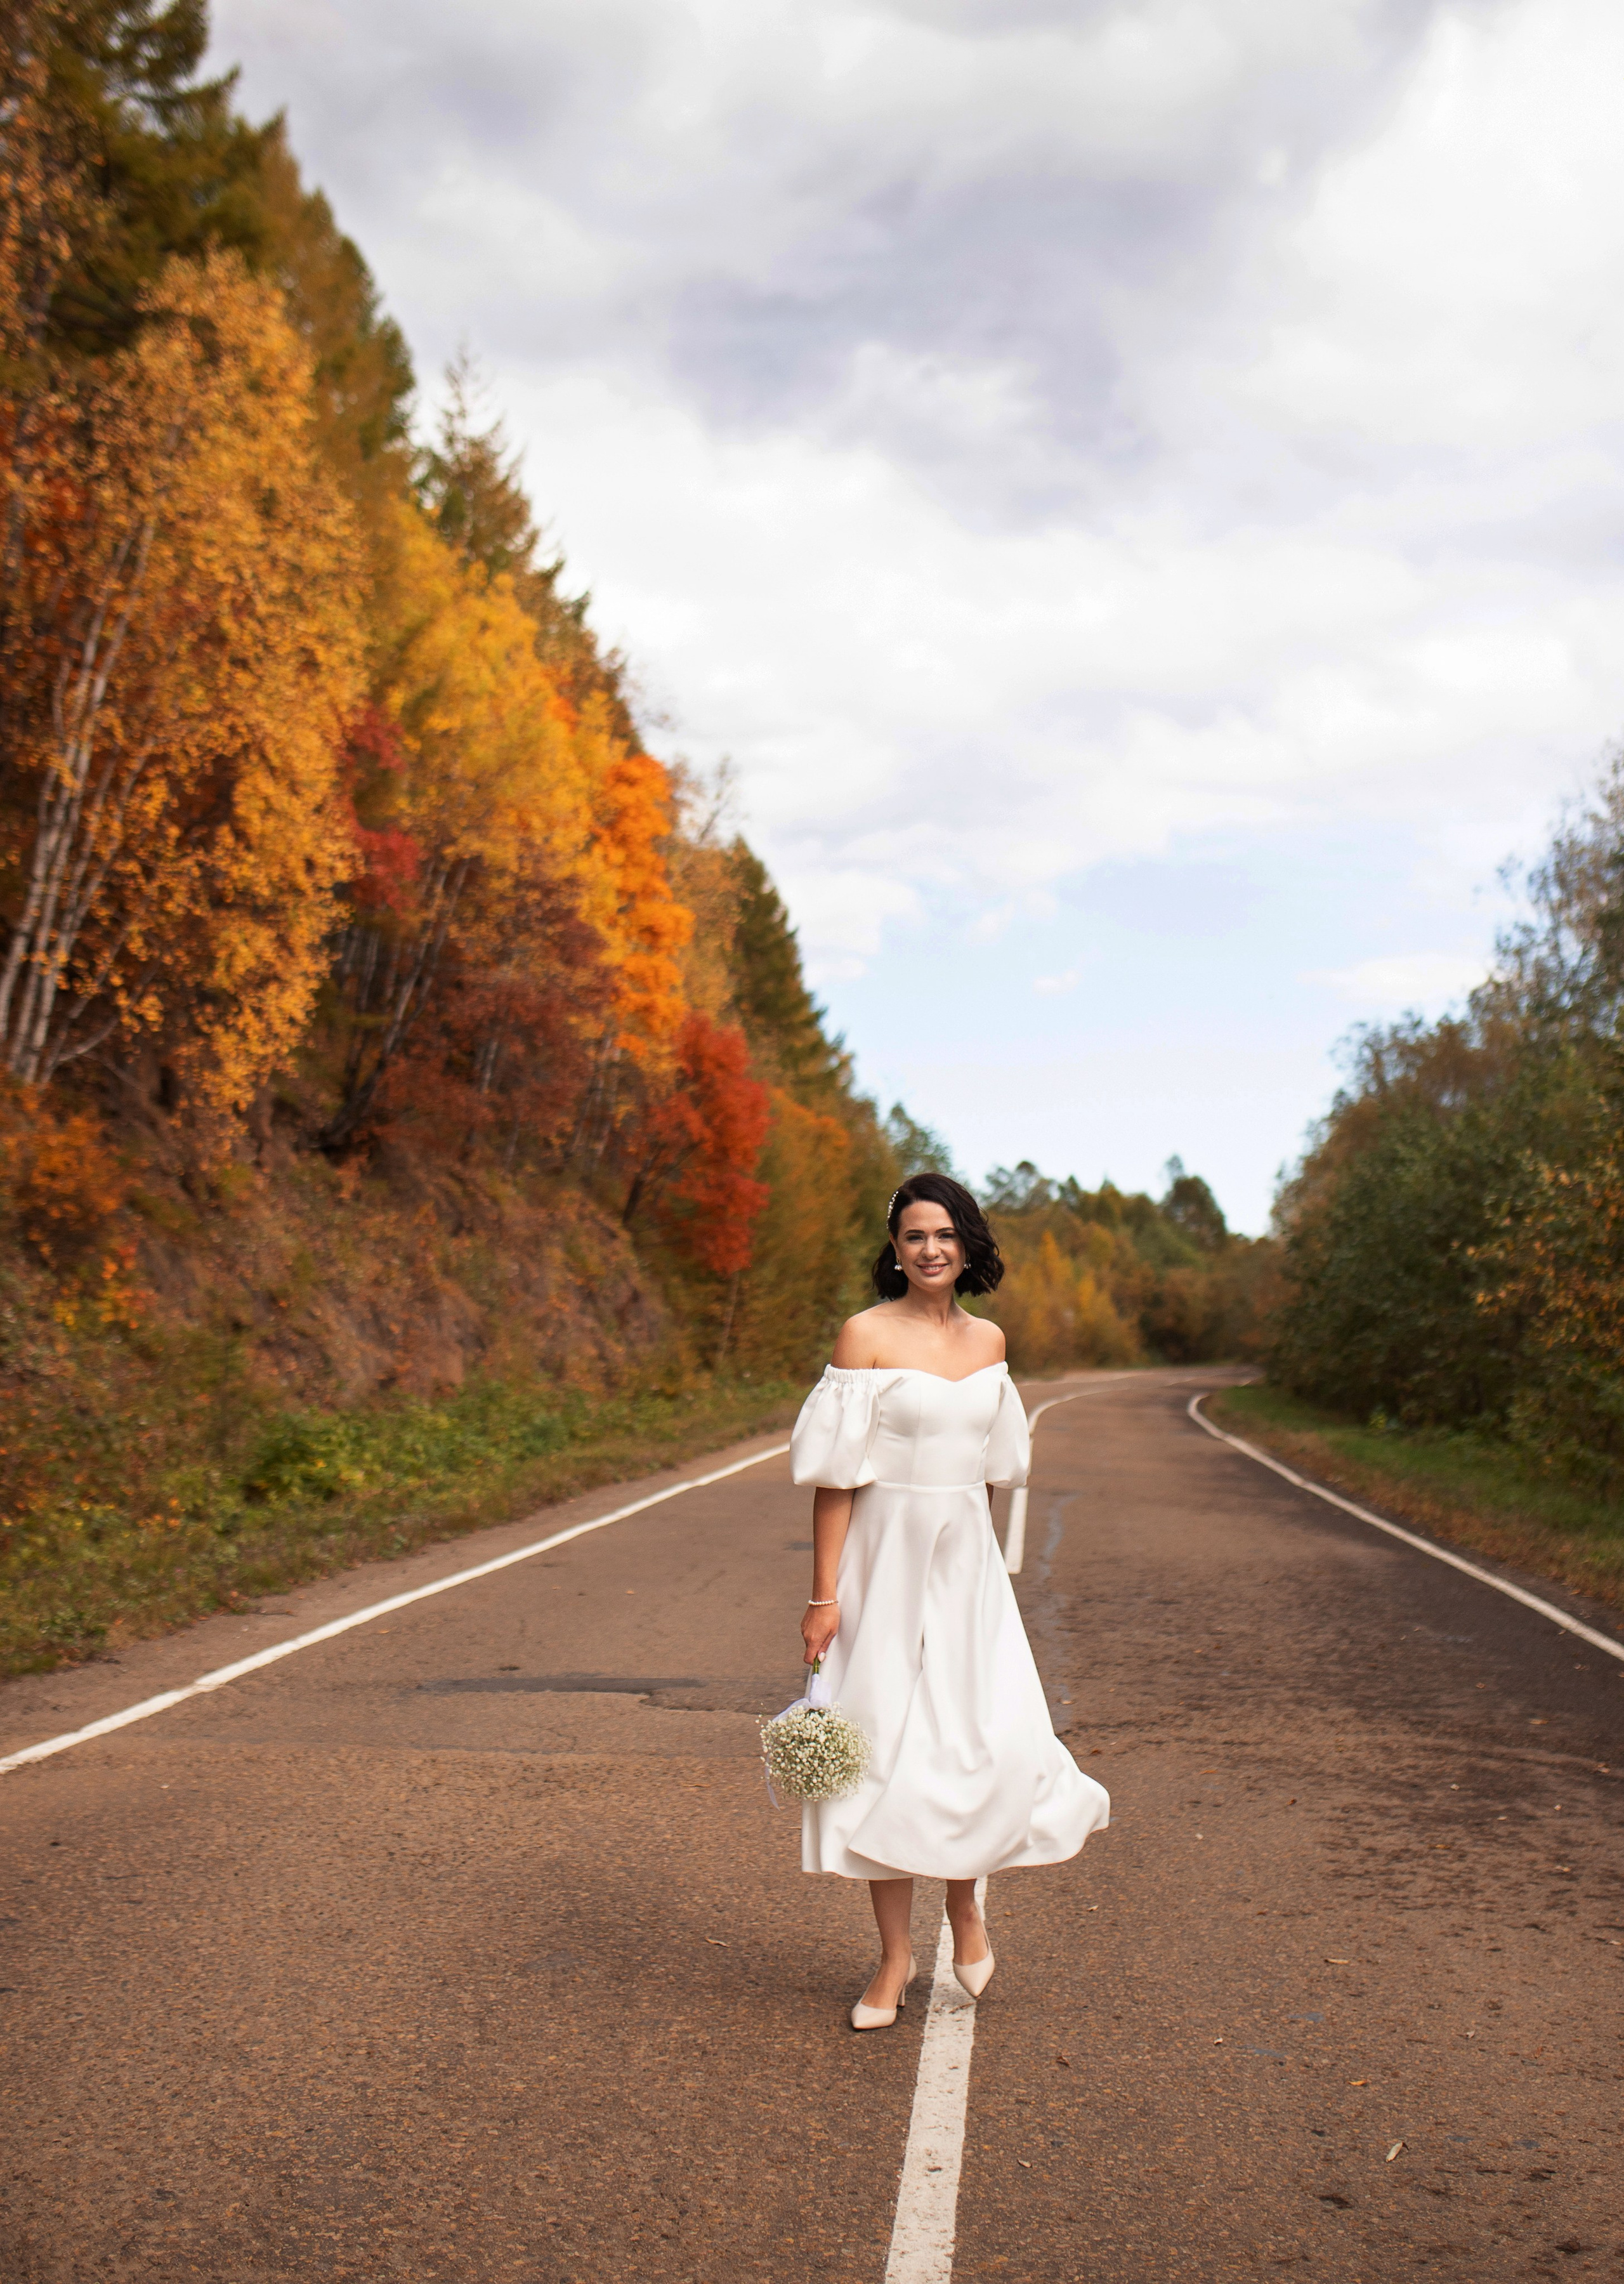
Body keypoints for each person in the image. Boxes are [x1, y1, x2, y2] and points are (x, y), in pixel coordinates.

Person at [790, 1172, 1110, 2031]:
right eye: (914, 1236)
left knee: (972, 1742)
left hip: (965, 1569)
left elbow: (992, 1474)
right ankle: (894, 1959)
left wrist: (983, 1578)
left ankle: (965, 1905)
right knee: (883, 1753)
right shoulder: (864, 1336)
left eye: (944, 1234)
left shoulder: (990, 1342)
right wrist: (825, 1596)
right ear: (894, 1250)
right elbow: (836, 1479)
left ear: (967, 1244)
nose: (930, 1249)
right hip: (881, 1565)